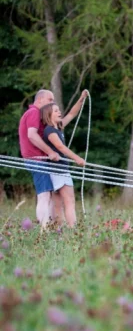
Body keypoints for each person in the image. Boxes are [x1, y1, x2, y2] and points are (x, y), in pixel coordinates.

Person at [18, 89, 87, 226]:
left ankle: (51, 226)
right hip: (37, 159)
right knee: (44, 195)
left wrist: (81, 98)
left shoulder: (51, 124)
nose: (53, 103)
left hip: (44, 161)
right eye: (50, 100)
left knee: (50, 197)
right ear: (39, 100)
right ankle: (45, 228)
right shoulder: (34, 112)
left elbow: (71, 114)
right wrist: (50, 151)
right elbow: (32, 135)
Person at [40, 103, 86, 228]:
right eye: (56, 111)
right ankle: (72, 229)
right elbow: (60, 146)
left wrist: (81, 98)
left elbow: (71, 114)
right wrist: (77, 158)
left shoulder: (58, 127)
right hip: (59, 170)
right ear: (49, 115)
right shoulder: (49, 130)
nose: (59, 112)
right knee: (69, 201)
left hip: (57, 171)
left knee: (59, 204)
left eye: (59, 110)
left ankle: (59, 231)